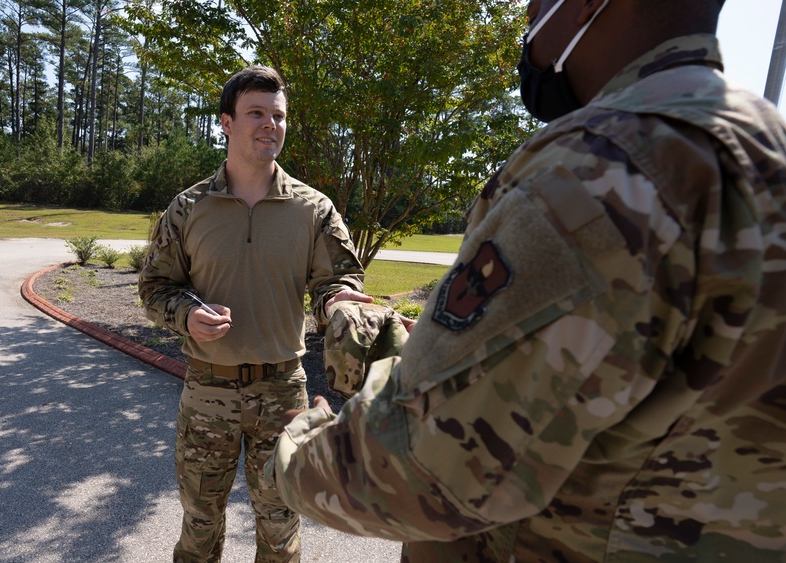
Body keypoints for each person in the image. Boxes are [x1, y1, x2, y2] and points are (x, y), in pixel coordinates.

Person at [267, 0, 786, 560]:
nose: (529, 19)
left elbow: (425, 469)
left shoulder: (601, 170)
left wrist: (298, 447)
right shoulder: (765, 151)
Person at [138, 65, 371, 562]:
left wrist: (335, 300)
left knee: (281, 530)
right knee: (200, 528)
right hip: (207, 390)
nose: (271, 125)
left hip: (283, 391)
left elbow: (340, 279)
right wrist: (186, 315)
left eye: (279, 116)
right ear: (225, 122)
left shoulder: (314, 208)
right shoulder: (188, 208)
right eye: (256, 114)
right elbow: (155, 287)